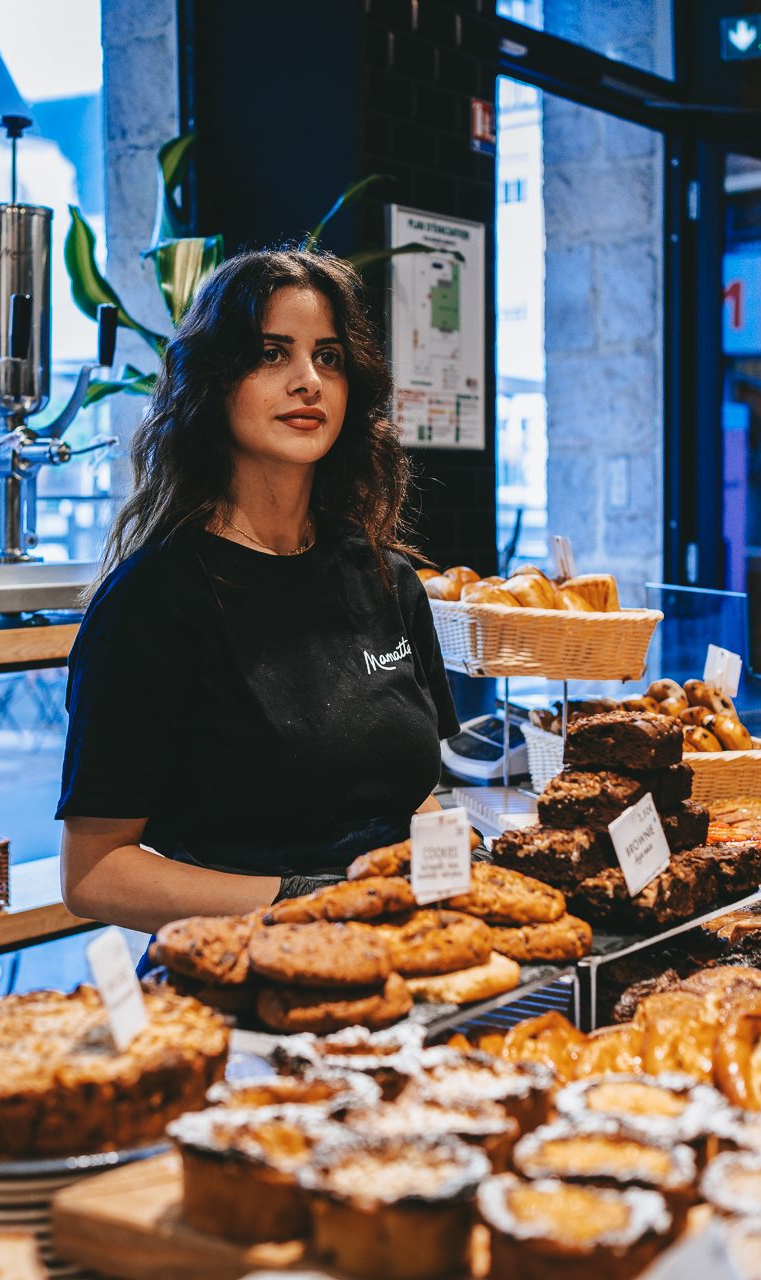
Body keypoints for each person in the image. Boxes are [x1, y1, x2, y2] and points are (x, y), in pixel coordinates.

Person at [57, 248, 458, 933]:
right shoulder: (154, 600)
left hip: (403, 961)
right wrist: (299, 898)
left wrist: (453, 879)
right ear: (213, 384)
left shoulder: (387, 582)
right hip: (242, 974)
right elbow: (95, 872)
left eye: (328, 357)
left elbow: (412, 797)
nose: (309, 381)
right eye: (273, 353)